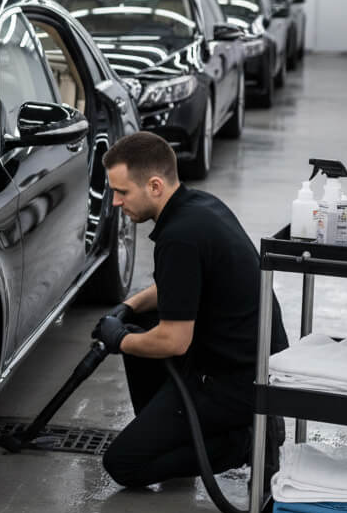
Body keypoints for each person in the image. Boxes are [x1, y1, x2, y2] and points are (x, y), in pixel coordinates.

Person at [92, 131, 288, 489]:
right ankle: (175, 429)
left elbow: (174, 341)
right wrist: (125, 308)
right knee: (138, 322)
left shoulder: (179, 238)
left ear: (153, 186)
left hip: (237, 383)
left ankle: (244, 442)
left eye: (122, 192)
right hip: (253, 361)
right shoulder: (199, 206)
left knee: (123, 464)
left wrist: (119, 340)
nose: (116, 202)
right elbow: (174, 289)